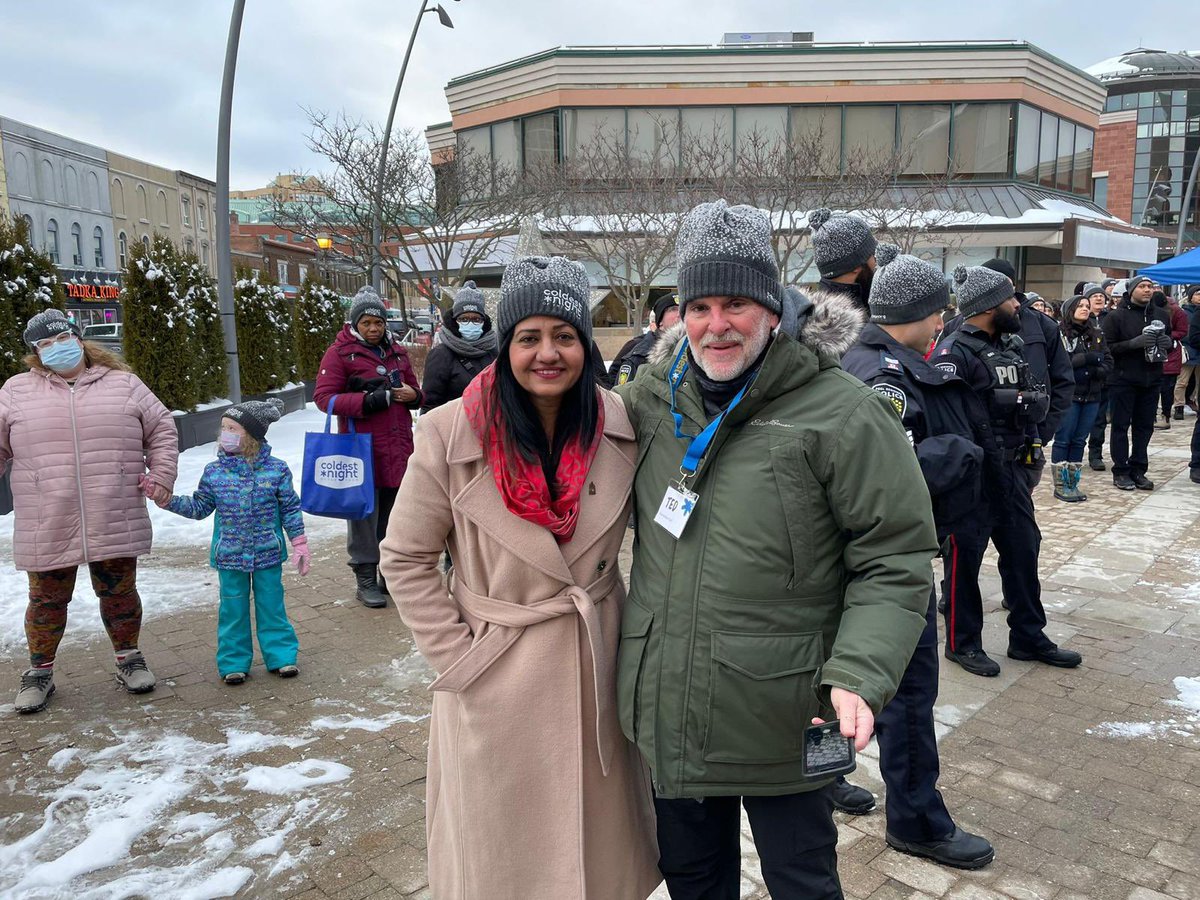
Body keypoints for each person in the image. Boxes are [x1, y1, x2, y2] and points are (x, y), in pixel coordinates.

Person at [618, 200, 937, 898]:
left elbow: (895, 557)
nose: (716, 324)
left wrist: (860, 669)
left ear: (772, 307)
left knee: (802, 883)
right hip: (672, 703)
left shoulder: (843, 411)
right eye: (699, 305)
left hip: (787, 712)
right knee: (693, 881)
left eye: (736, 302)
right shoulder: (649, 400)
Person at [379, 255, 660, 900]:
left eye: (564, 336)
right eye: (528, 338)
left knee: (597, 857)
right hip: (495, 670)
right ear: (505, 346)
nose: (547, 354)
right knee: (503, 859)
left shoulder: (620, 426)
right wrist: (460, 657)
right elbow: (405, 556)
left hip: (597, 668)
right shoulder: (451, 433)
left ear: (586, 346)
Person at [841, 245, 995, 870]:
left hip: (865, 557)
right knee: (908, 695)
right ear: (924, 313)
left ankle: (825, 781)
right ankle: (916, 819)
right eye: (939, 313)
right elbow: (889, 473)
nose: (943, 324)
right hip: (886, 562)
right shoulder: (884, 376)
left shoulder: (875, 358)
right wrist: (960, 451)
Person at [1, 310, 178, 714]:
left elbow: (162, 429)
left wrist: (162, 474)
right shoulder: (15, 391)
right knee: (46, 600)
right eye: (44, 344)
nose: (54, 348)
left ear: (79, 339)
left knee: (119, 593)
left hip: (112, 507)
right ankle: (39, 673)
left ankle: (129, 659)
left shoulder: (125, 385)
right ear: (35, 351)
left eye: (61, 338)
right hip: (47, 515)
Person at [934, 265, 1082, 677]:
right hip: (975, 477)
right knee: (964, 562)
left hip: (1013, 470)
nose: (1018, 304)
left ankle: (1028, 636)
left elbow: (1033, 397)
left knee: (1023, 551)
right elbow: (949, 420)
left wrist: (1033, 428)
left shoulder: (1012, 344)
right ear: (986, 305)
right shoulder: (954, 352)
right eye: (1009, 298)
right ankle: (963, 643)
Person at [314, 285, 422, 607]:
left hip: (398, 445)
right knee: (363, 515)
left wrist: (412, 396)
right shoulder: (339, 354)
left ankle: (389, 574)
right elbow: (324, 399)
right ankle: (364, 577)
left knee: (395, 515)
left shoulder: (398, 352)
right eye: (367, 323)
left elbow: (417, 391)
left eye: (378, 322)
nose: (374, 329)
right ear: (354, 324)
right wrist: (366, 400)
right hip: (360, 448)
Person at [942, 258, 1074, 489]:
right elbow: (947, 411)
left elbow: (1062, 382)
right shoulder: (955, 339)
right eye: (1007, 296)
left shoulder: (1043, 327)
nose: (1015, 303)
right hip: (980, 462)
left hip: (1023, 455)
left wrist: (1040, 432)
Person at [1101, 275, 1172, 491]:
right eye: (1142, 287)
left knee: (1144, 427)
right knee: (1121, 426)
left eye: (1150, 287)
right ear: (1131, 291)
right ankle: (1121, 470)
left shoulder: (1161, 315)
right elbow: (1108, 348)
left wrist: (1168, 344)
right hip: (1123, 379)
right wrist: (1133, 344)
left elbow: (1167, 341)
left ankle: (1139, 469)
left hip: (1152, 378)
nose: (1147, 290)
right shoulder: (1116, 317)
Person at [1051, 294, 1112, 502]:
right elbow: (1059, 363)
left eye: (1087, 306)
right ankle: (1060, 485)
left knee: (1079, 440)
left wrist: (1097, 371)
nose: (1085, 309)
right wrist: (1084, 360)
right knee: (1063, 439)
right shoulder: (1058, 333)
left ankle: (1072, 483)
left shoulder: (1096, 333)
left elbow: (1107, 361)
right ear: (1070, 309)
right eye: (1080, 306)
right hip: (1069, 395)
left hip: (1092, 395)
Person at [419, 280, 498, 413]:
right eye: (464, 319)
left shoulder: (494, 351)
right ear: (455, 321)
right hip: (453, 429)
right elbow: (430, 404)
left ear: (484, 322)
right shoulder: (441, 355)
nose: (470, 323)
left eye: (476, 319)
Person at [806, 206, 879, 313]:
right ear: (855, 266)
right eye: (873, 253)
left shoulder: (819, 315)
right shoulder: (847, 324)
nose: (877, 261)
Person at [607, 295, 680, 386]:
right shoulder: (638, 350)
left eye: (683, 309)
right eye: (673, 309)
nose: (680, 313)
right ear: (660, 322)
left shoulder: (694, 347)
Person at [1155, 290, 1189, 430]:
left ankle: (1166, 415)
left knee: (1167, 388)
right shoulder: (1146, 309)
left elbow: (1182, 331)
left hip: (1171, 353)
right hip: (1151, 353)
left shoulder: (1176, 311)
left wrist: (1167, 336)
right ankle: (1151, 416)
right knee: (1152, 388)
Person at [1179, 285, 1200, 418]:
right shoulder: (1184, 312)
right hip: (1189, 350)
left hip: (1199, 352)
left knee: (1198, 382)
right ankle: (1179, 406)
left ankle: (1193, 401)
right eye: (1197, 294)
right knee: (1183, 381)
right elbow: (1183, 332)